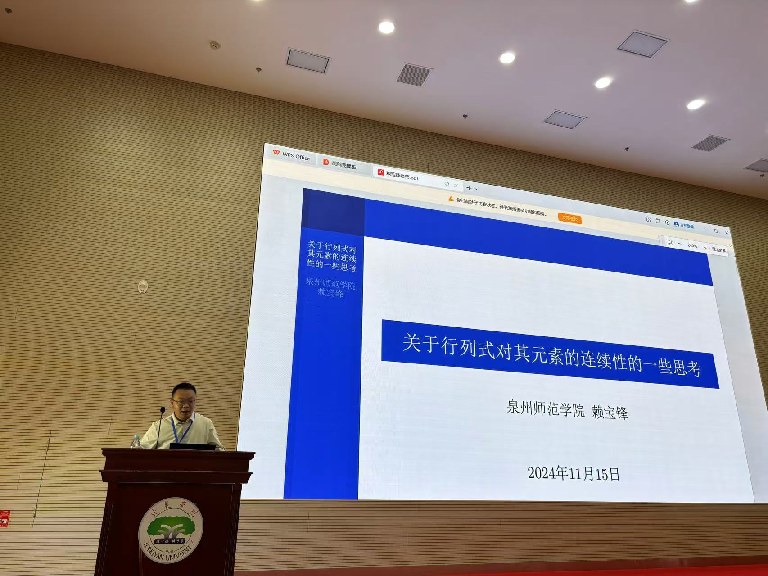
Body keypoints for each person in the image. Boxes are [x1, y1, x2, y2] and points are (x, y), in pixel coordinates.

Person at [140, 381, 224, 450]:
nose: (186, 405)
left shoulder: (206, 424)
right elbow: (141, 450)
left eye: (190, 401)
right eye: (181, 401)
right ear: (172, 403)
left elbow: (219, 451)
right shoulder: (158, 427)